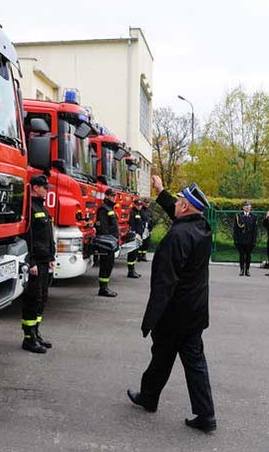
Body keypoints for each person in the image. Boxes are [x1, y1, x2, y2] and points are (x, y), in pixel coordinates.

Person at [127, 175, 216, 433]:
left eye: (178, 201)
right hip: (194, 312)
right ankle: (205, 414)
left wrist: (150, 319)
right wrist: (162, 191)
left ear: (186, 207)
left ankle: (148, 397)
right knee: (191, 362)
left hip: (174, 313)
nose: (175, 204)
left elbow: (165, 283)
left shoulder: (176, 236)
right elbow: (180, 214)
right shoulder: (202, 228)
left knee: (162, 355)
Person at [21, 174, 56, 354]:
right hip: (36, 263)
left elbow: (48, 236)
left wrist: (51, 257)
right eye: (45, 187)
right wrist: (31, 261)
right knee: (33, 299)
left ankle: (36, 333)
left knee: (42, 298)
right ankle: (28, 338)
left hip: (45, 261)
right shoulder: (30, 208)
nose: (47, 190)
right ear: (35, 188)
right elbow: (28, 238)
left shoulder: (42, 207)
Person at [95, 188, 120, 297]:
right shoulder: (103, 209)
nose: (114, 197)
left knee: (109, 265)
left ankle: (105, 287)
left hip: (111, 242)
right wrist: (109, 242)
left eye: (115, 196)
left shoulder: (110, 208)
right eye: (112, 196)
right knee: (105, 265)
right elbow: (103, 228)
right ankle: (103, 288)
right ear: (106, 196)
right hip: (107, 243)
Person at [233, 201, 258, 277]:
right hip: (241, 239)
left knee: (248, 255)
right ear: (243, 207)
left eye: (249, 206)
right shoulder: (238, 216)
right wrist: (236, 239)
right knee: (241, 255)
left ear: (250, 208)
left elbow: (255, 230)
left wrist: (254, 240)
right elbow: (235, 229)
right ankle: (241, 270)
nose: (247, 207)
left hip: (249, 240)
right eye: (246, 206)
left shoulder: (253, 216)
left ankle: (247, 270)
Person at [126, 199, 146, 279]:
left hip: (139, 235)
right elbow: (131, 224)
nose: (139, 206)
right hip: (135, 235)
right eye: (138, 205)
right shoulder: (132, 213)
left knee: (135, 254)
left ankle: (133, 270)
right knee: (132, 254)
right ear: (134, 205)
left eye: (140, 205)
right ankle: (130, 271)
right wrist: (135, 233)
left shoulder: (139, 212)